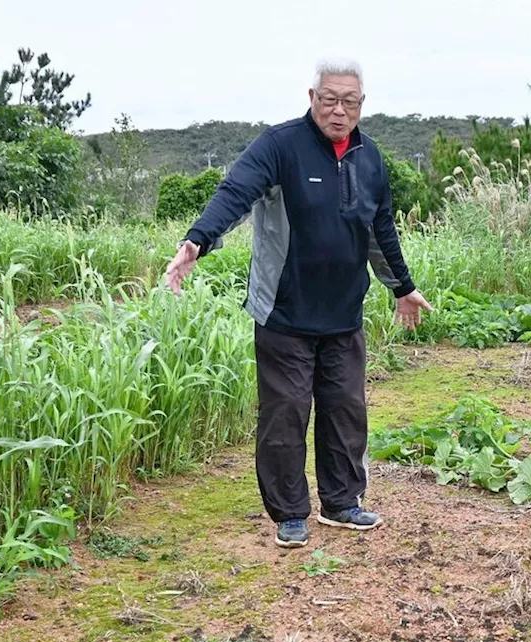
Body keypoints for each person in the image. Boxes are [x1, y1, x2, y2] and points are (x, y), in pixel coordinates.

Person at [165, 59, 432, 548]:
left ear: (361, 104)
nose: (338, 109)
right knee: (286, 412)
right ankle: (290, 512)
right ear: (311, 97)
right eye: (328, 99)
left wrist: (402, 286)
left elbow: (381, 227)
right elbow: (236, 192)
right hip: (284, 312)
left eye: (348, 101)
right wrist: (197, 241)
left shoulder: (369, 157)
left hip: (343, 313)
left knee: (346, 411)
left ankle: (341, 502)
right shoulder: (280, 146)